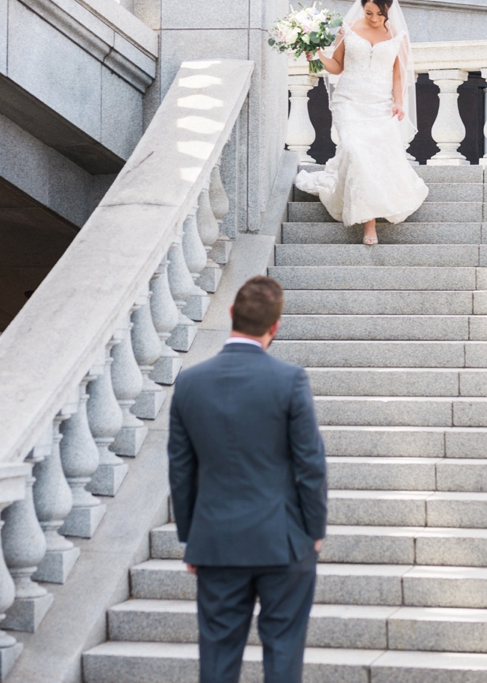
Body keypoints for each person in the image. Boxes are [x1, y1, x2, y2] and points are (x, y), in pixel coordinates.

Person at [167, 276, 328, 683]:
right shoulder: (290, 380)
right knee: (283, 655)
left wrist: (191, 538)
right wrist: (315, 529)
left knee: (218, 661)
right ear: (275, 326)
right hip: (284, 539)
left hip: (217, 543)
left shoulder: (189, 382)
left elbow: (181, 468)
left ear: (231, 314)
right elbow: (310, 464)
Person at [294, 0, 429, 244]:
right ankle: (369, 225)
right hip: (349, 101)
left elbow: (398, 75)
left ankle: (370, 222)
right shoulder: (349, 29)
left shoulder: (398, 37)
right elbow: (336, 66)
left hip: (380, 104)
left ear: (389, 8)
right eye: (369, 13)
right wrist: (317, 54)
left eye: (380, 13)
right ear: (362, 8)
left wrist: (399, 102)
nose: (374, 18)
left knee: (370, 157)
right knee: (355, 149)